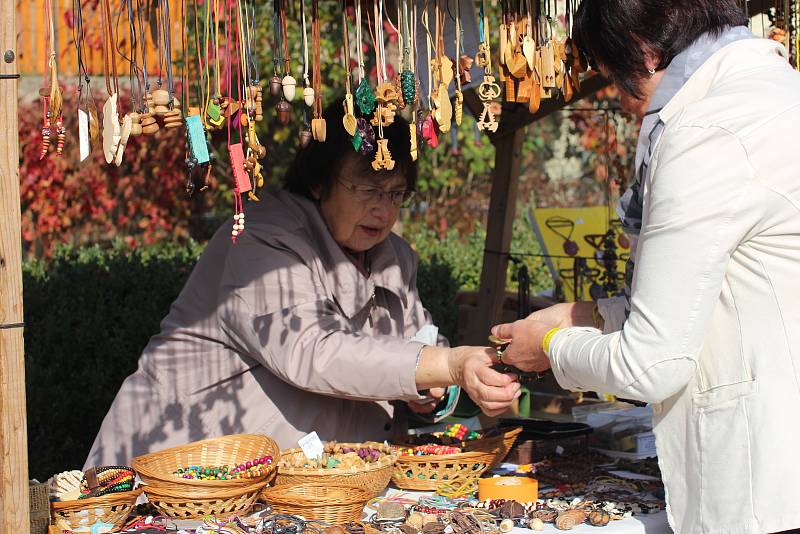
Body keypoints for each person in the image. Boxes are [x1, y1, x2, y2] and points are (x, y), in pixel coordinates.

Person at [492, 1, 800, 533]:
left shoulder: (707, 130)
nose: (623, 102)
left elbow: (652, 364)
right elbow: (716, 297)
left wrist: (549, 348)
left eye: (617, 81)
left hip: (761, 485)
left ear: (643, 51)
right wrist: (577, 315)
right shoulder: (774, 93)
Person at [86, 105, 520, 467]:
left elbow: (419, 345)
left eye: (395, 193)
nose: (382, 209)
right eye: (367, 188)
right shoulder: (260, 238)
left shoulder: (395, 257)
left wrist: (431, 392)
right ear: (318, 182)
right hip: (182, 472)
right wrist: (446, 363)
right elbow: (312, 350)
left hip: (310, 489)